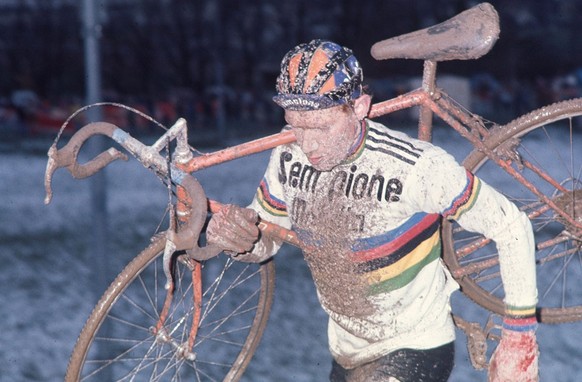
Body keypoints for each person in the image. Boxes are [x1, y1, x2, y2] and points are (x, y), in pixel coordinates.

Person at [206, 40, 538, 382]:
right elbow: (266, 240)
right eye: (295, 124)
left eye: (321, 127)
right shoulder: (287, 155)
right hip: (348, 352)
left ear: (360, 107)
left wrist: (519, 337)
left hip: (416, 346)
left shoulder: (415, 168)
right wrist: (239, 238)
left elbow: (511, 226)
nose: (308, 144)